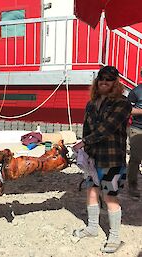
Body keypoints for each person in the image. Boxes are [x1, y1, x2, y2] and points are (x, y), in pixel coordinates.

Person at [72, 66, 132, 253]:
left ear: (116, 82)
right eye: (101, 79)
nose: (104, 82)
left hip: (112, 158)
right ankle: (92, 228)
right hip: (93, 158)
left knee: (110, 196)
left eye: (109, 79)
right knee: (91, 191)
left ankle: (115, 237)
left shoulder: (122, 103)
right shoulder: (92, 103)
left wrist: (84, 142)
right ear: (97, 81)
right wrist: (85, 150)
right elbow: (87, 129)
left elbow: (107, 128)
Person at [127, 77, 142, 199]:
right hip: (137, 128)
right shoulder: (135, 92)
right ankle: (132, 186)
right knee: (136, 158)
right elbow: (128, 110)